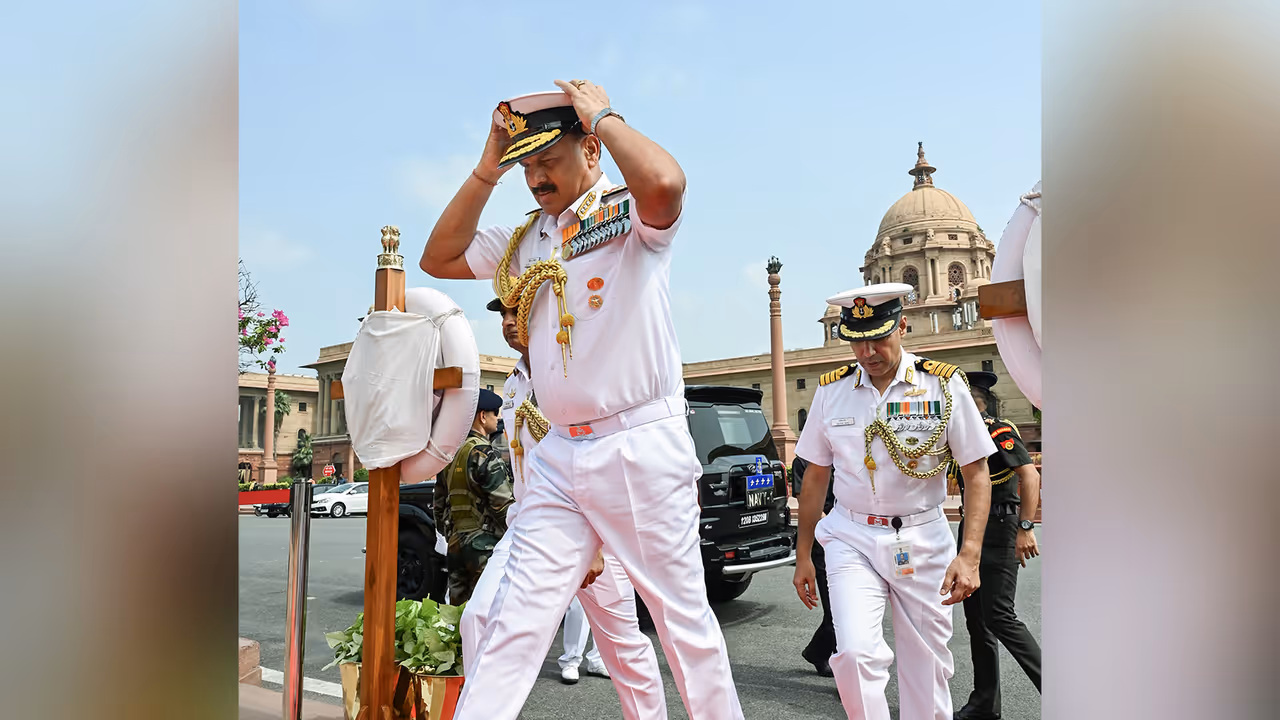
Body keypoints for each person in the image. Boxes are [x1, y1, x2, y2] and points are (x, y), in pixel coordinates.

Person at [421, 81, 741, 720]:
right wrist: (488, 168)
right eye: (526, 166)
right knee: (510, 622)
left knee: (683, 629)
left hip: (637, 446)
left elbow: (666, 186)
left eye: (549, 160)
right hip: (558, 455)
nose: (535, 177)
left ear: (591, 151)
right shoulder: (524, 241)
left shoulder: (625, 213)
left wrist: (606, 116)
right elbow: (440, 256)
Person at [791, 282, 996, 720]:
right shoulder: (832, 392)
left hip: (921, 536)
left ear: (903, 326)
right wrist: (803, 552)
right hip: (851, 535)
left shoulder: (943, 386)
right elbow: (815, 477)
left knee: (927, 666)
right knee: (854, 655)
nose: (867, 352)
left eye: (878, 337)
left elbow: (977, 473)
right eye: (857, 341)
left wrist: (971, 555)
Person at [461, 299, 667, 719]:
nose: (507, 323)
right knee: (478, 619)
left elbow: (598, 452)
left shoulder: (579, 367)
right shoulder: (514, 381)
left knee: (623, 646)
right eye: (502, 315)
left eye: (517, 313)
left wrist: (593, 543)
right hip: (531, 522)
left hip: (591, 527)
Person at [950, 372, 1042, 720]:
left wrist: (1026, 527)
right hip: (971, 528)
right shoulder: (962, 436)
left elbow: (1030, 475)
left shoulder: (997, 430)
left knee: (1001, 616)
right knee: (977, 621)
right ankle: (984, 705)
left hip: (1003, 525)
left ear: (978, 402)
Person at [431, 388, 514, 606]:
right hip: (484, 545)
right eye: (495, 413)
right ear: (482, 416)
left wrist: (450, 534)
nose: (498, 419)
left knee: (457, 610)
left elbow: (438, 504)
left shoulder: (450, 454)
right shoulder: (485, 453)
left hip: (456, 543)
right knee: (487, 609)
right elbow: (502, 506)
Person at [791, 454, 836, 677]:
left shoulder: (845, 453)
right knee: (836, 610)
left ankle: (818, 651)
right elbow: (808, 502)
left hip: (851, 539)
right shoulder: (802, 462)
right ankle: (846, 671)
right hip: (823, 539)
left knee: (841, 610)